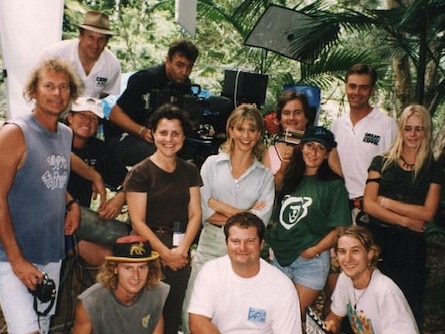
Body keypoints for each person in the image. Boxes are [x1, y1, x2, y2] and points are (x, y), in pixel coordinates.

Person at [0, 57, 83, 334]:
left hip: (50, 253)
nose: (57, 93)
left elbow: (48, 176)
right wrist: (17, 261)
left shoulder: (65, 134)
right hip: (12, 256)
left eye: (63, 87)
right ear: (33, 91)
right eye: (49, 85)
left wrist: (71, 204)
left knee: (42, 329)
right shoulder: (14, 133)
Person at [182, 104, 275, 333]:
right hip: (211, 246)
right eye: (240, 129)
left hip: (245, 251)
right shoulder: (212, 165)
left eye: (252, 130)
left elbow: (258, 224)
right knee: (192, 312)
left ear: (260, 135)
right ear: (231, 130)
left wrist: (217, 205)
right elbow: (202, 211)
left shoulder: (264, 177)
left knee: (234, 313)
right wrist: (244, 215)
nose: (246, 136)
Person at [123, 104, 202, 334]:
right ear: (153, 134)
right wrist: (164, 254)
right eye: (163, 132)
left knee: (171, 313)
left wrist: (182, 250)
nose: (169, 139)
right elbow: (137, 220)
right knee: (144, 314)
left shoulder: (189, 171)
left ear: (184, 137)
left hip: (180, 249)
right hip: (145, 250)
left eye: (175, 133)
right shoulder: (140, 173)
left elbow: (196, 213)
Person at [363, 104, 442, 327]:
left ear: (426, 131)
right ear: (401, 129)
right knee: (373, 305)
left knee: (407, 305)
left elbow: (428, 212)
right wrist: (406, 220)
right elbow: (369, 204)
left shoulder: (432, 168)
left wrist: (387, 203)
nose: (413, 135)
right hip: (379, 241)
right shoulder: (381, 162)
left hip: (411, 248)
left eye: (419, 129)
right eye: (408, 128)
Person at [268, 126, 350, 317]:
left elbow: (340, 229)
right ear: (302, 147)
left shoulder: (334, 185)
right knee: (272, 316)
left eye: (320, 148)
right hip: (281, 258)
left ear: (327, 154)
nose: (313, 152)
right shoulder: (291, 178)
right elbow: (274, 206)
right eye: (310, 146)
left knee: (290, 316)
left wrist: (314, 250)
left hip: (310, 262)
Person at [188, 211, 302, 334]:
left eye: (250, 241)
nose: (242, 248)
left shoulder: (282, 286)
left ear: (261, 244)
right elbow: (197, 321)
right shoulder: (210, 272)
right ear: (226, 243)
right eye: (235, 241)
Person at [107, 39, 199, 166]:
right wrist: (142, 131)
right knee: (161, 157)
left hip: (161, 139)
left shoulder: (185, 86)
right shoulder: (145, 79)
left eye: (189, 67)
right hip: (126, 137)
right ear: (168, 60)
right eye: (179, 65)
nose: (184, 72)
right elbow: (115, 114)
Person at [66, 96, 130, 266]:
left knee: (117, 250)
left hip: (80, 222)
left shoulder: (98, 149)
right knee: (115, 247)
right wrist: (94, 176)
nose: (88, 121)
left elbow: (130, 178)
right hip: (56, 219)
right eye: (82, 115)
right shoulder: (56, 140)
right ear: (70, 117)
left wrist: (120, 198)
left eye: (94, 118)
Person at [325, 225, 419, 334]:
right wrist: (332, 324)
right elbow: (335, 316)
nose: (348, 259)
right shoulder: (345, 278)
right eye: (342, 251)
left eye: (355, 251)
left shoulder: (385, 291)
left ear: (370, 254)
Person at [71, 235, 170, 334]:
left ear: (150, 268)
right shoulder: (91, 302)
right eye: (128, 268)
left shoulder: (156, 294)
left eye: (142, 268)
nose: (136, 276)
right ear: (114, 268)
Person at [332, 63, 397, 213]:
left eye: (364, 87)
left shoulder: (387, 125)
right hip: (337, 206)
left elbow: (393, 171)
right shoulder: (337, 126)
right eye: (352, 86)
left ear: (372, 91)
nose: (357, 92)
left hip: (368, 210)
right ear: (346, 87)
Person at [263, 90, 342, 189]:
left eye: (297, 112)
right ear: (280, 118)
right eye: (286, 113)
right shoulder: (271, 152)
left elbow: (337, 186)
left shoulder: (325, 148)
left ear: (306, 117)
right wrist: (282, 170)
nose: (291, 118)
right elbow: (265, 192)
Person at [44, 10, 121, 98]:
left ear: (107, 41)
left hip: (89, 110)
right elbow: (39, 85)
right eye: (91, 37)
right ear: (80, 36)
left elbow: (107, 91)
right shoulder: (55, 53)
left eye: (101, 39)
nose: (95, 44)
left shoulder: (112, 64)